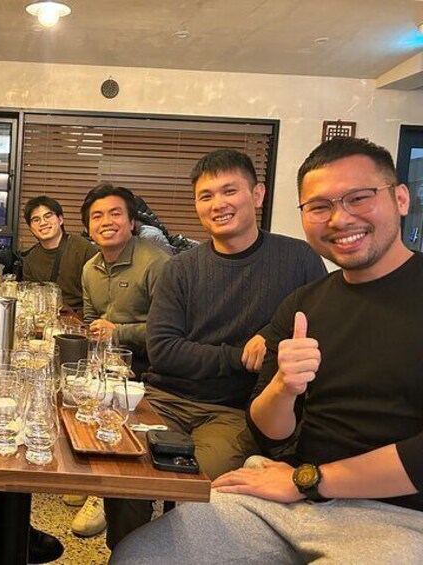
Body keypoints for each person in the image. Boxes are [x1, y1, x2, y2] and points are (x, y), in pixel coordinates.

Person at [110, 137, 423, 564]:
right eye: (319, 206)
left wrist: (309, 479)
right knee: (137, 556)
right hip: (285, 493)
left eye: (359, 198)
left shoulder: (296, 262)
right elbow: (267, 429)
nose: (339, 218)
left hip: (397, 517)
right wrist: (284, 387)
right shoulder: (305, 303)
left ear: (401, 198)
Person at [103, 149, 327, 549]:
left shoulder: (298, 259)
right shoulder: (180, 269)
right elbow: (164, 349)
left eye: (229, 191)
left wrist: (270, 336)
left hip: (233, 411)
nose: (218, 204)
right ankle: (127, 554)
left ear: (257, 195)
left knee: (200, 490)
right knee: (126, 474)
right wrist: (241, 355)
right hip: (164, 398)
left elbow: (315, 322)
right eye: (206, 196)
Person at [76, 183, 170, 538]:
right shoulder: (90, 268)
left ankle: (112, 498)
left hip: (151, 373)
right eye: (97, 216)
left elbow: (169, 332)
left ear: (132, 222)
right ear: (88, 226)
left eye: (115, 213)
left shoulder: (156, 263)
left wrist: (117, 332)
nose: (106, 222)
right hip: (109, 368)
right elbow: (90, 322)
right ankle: (95, 480)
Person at [21, 195, 97, 314]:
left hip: (80, 318)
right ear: (31, 227)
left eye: (48, 216)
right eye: (36, 220)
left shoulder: (83, 248)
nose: (43, 223)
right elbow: (31, 299)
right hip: (46, 318)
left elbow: (99, 295)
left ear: (60, 219)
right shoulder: (30, 259)